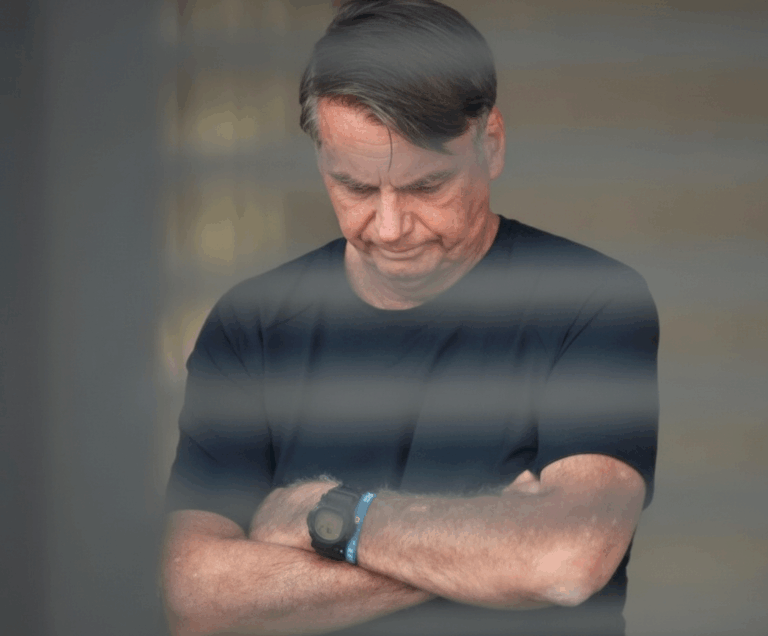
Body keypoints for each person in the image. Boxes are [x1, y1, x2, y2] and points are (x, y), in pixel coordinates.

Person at [160, 1, 659, 635]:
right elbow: (192, 598)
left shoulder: (590, 300)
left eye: (426, 186)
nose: (390, 228)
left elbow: (563, 559)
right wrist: (490, 553)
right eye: (355, 187)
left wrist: (326, 517)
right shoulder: (251, 324)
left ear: (491, 144)